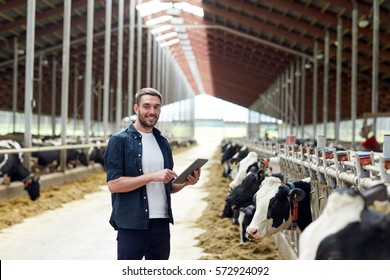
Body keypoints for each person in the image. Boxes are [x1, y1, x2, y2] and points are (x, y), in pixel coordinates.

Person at [104, 87, 201, 260]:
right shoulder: (119, 141)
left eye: (156, 107)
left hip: (161, 224)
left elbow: (167, 187)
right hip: (132, 224)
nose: (152, 111)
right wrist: (152, 176)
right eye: (147, 106)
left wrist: (186, 182)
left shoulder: (163, 143)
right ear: (136, 108)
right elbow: (114, 184)